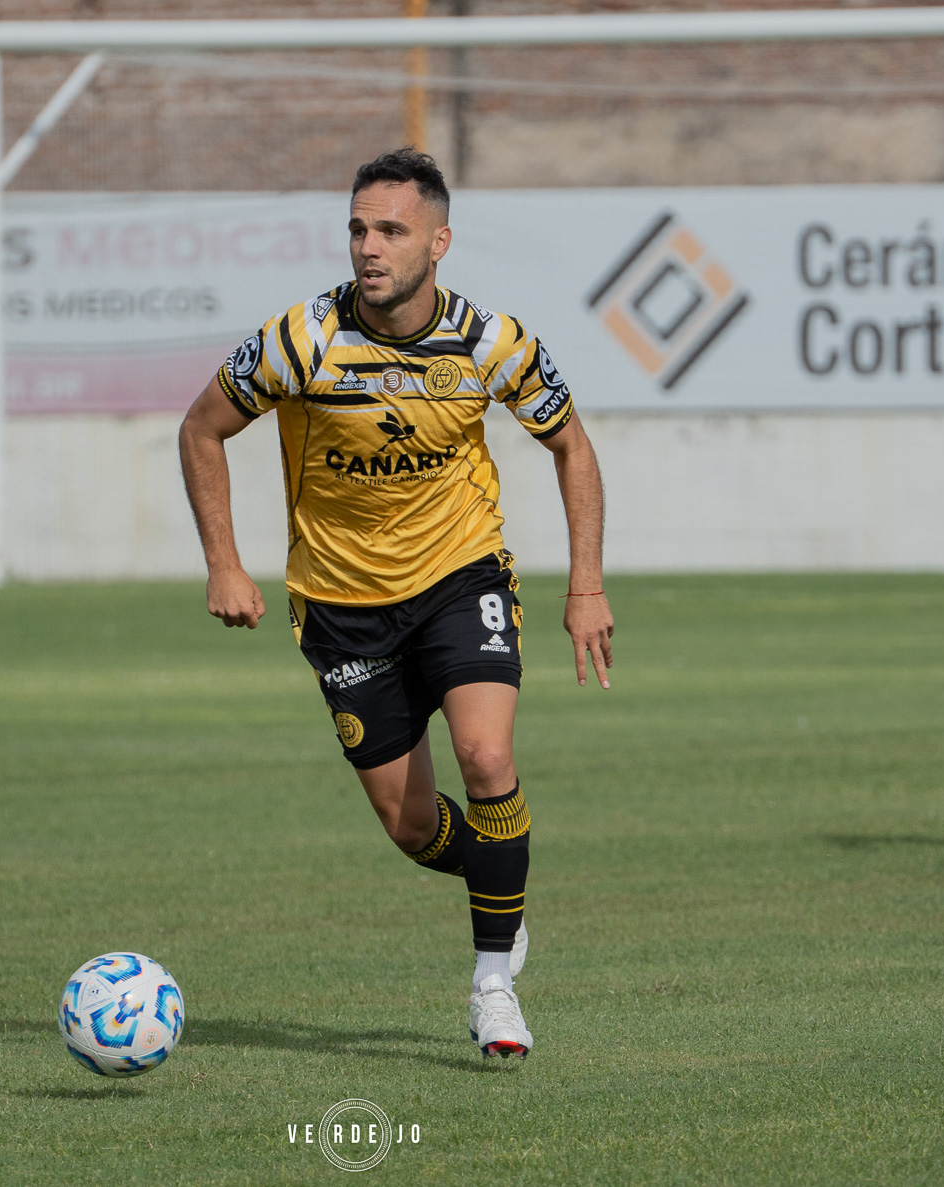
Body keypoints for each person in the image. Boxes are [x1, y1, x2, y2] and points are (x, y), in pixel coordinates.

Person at [178, 148, 613, 1056]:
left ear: (439, 242)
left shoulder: (492, 343)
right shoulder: (300, 340)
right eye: (357, 229)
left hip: (462, 576)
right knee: (411, 827)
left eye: (390, 230)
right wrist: (224, 561)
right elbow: (201, 427)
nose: (368, 248)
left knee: (486, 752)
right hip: (340, 604)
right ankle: (503, 879)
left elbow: (572, 446)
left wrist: (585, 587)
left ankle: (494, 980)